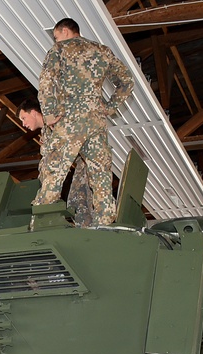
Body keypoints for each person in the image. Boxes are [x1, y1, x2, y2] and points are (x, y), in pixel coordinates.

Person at [33, 18, 133, 226]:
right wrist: (110, 107)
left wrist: (49, 114)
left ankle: (42, 219)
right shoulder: (102, 51)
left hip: (69, 122)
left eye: (56, 36)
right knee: (101, 174)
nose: (55, 41)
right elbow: (126, 81)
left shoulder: (59, 51)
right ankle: (105, 220)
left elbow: (46, 82)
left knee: (54, 171)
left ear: (65, 31)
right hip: (96, 123)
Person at [18, 97, 92, 227]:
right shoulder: (46, 132)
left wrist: (47, 194)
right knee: (76, 204)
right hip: (79, 164)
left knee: (78, 202)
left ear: (34, 113)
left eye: (24, 118)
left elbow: (57, 162)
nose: (23, 124)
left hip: (86, 162)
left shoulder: (56, 121)